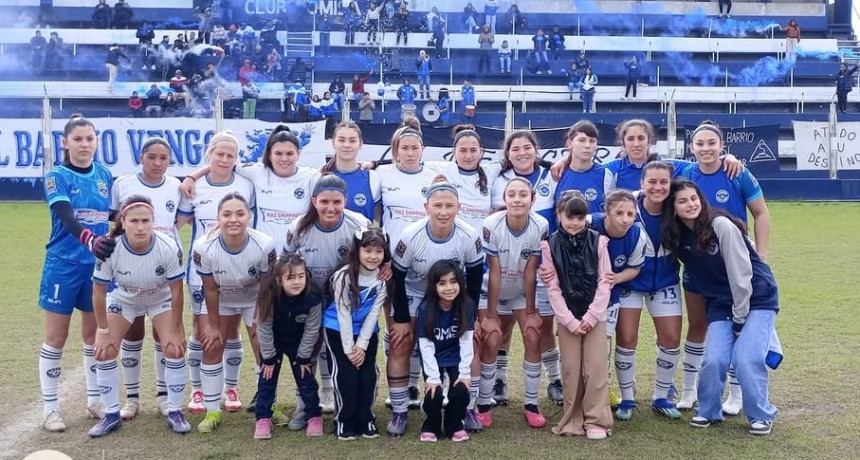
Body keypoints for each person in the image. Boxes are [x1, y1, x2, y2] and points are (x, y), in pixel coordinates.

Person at [661, 179, 780, 436]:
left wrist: (740, 319)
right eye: (682, 201)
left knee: (745, 358)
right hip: (720, 301)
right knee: (714, 359)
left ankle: (761, 414)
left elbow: (741, 276)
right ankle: (708, 410)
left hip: (755, 296)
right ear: (674, 208)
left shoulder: (720, 225)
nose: (690, 204)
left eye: (694, 198)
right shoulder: (678, 234)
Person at [677, 121, 771, 413]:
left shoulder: (737, 172)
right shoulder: (684, 172)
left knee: (736, 325)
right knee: (697, 325)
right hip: (697, 263)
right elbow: (641, 165)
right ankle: (689, 390)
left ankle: (736, 394)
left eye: (711, 143)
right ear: (691, 148)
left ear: (722, 146)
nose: (706, 148)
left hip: (733, 265)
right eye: (700, 144)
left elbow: (761, 213)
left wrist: (762, 255)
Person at [389, 175, 485, 436]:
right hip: (414, 291)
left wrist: (472, 316)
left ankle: (467, 407)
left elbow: (475, 278)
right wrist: (400, 318)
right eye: (437, 205)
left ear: (458, 207)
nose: (443, 211)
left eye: (449, 206)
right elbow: (396, 277)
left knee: (470, 343)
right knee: (400, 345)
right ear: (426, 207)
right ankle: (399, 412)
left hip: (452, 294)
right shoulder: (410, 236)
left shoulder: (468, 234)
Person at [38, 115, 116, 433]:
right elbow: (68, 217)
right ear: (65, 142)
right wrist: (91, 240)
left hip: (96, 268)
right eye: (78, 139)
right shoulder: (56, 176)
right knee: (56, 338)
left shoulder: (104, 174)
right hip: (63, 265)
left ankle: (95, 400)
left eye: (90, 138)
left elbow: (103, 213)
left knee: (92, 335)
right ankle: (50, 408)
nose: (85, 144)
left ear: (97, 141)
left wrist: (127, 215)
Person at [89, 195, 190, 437]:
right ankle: (111, 414)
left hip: (160, 298)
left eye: (146, 220)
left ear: (153, 221)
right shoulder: (109, 248)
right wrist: (102, 331)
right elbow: (99, 292)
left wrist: (177, 328)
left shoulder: (167, 246)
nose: (141, 226)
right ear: (122, 221)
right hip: (125, 298)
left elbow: (177, 292)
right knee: (104, 350)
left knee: (174, 348)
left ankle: (175, 410)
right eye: (134, 220)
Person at [176, 131, 255, 418]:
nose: (224, 159)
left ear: (237, 159)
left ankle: (230, 388)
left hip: (237, 271)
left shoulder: (246, 185)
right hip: (200, 273)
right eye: (219, 154)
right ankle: (197, 388)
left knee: (231, 330)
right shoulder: (194, 188)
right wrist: (192, 177)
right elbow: (179, 223)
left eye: (230, 155)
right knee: (202, 330)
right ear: (209, 154)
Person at [282, 175, 371, 422]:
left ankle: (330, 396)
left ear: (346, 200)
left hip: (341, 297)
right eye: (324, 202)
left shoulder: (358, 224)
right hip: (307, 296)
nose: (330, 208)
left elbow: (375, 253)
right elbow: (285, 262)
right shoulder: (299, 227)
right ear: (313, 201)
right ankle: (304, 405)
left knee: (333, 347)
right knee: (307, 347)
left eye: (336, 201)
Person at [109, 138, 183, 420]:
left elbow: (181, 219)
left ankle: (164, 396)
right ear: (141, 157)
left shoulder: (176, 186)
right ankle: (132, 398)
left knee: (163, 335)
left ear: (169, 160)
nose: (157, 162)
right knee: (133, 330)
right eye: (151, 157)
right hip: (129, 267)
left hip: (163, 266)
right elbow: (115, 223)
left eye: (163, 157)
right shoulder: (123, 184)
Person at [193, 193, 275, 433]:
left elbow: (266, 285)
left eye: (240, 213)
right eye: (227, 214)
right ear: (217, 217)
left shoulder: (264, 244)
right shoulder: (203, 247)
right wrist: (212, 325)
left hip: (254, 297)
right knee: (212, 344)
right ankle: (212, 410)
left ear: (249, 216)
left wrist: (261, 318)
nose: (234, 219)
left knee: (264, 345)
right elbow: (209, 288)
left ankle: (269, 404)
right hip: (221, 298)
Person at [490, 131, 560, 408]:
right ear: (507, 154)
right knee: (503, 325)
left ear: (536, 150)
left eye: (526, 147)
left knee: (544, 326)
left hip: (542, 265)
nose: (521, 152)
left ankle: (555, 380)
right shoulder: (499, 181)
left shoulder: (552, 176)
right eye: (515, 148)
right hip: (507, 264)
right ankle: (499, 379)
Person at [539, 190, 613, 440]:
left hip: (595, 316)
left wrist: (592, 316)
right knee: (570, 369)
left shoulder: (599, 241)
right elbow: (553, 287)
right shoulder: (549, 245)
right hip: (567, 317)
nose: (574, 223)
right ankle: (571, 420)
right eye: (569, 217)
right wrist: (569, 320)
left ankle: (597, 421)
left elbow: (605, 281)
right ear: (559, 215)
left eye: (580, 218)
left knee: (596, 368)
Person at [477, 178, 549, 430]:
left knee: (532, 335)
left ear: (532, 199)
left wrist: (530, 311)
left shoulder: (541, 224)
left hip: (520, 289)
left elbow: (531, 271)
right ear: (504, 199)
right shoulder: (491, 224)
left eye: (523, 194)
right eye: (511, 195)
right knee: (493, 338)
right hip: (491, 289)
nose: (517, 199)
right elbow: (494, 271)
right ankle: (483, 405)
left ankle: (531, 405)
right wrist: (490, 314)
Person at [324, 227, 392, 440]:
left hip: (366, 332)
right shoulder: (342, 276)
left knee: (368, 375)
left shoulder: (383, 278)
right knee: (346, 376)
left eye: (379, 251)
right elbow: (343, 313)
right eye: (368, 250)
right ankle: (343, 421)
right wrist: (349, 349)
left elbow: (374, 313)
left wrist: (361, 345)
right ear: (357, 250)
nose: (373, 256)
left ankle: (366, 419)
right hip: (338, 330)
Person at [586, 190, 647, 413]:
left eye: (630, 213)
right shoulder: (589, 224)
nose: (625, 219)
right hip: (579, 295)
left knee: (604, 345)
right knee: (576, 345)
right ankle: (574, 390)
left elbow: (635, 268)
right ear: (607, 212)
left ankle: (603, 391)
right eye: (619, 213)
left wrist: (618, 277)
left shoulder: (637, 236)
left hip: (609, 297)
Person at [254, 253, 324, 439]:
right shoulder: (268, 294)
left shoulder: (313, 296)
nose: (296, 282)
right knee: (267, 379)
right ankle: (263, 418)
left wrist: (303, 356)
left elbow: (312, 329)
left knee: (305, 378)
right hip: (274, 341)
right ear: (279, 280)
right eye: (290, 277)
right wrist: (268, 357)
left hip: (299, 341)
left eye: (301, 276)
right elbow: (264, 327)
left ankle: (314, 416)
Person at [416, 260, 476, 442]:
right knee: (434, 390)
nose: (449, 287)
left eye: (453, 281)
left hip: (456, 356)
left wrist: (465, 372)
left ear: (460, 282)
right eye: (442, 283)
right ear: (434, 286)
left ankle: (455, 425)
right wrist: (433, 376)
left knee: (461, 389)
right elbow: (425, 345)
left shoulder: (467, 305)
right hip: (434, 357)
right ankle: (431, 426)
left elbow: (466, 340)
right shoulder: (426, 308)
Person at [321, 122, 382, 221]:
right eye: (341, 140)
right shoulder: (319, 176)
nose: (347, 145)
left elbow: (381, 219)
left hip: (361, 236)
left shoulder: (372, 178)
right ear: (333, 143)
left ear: (360, 144)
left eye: (352, 141)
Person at [555, 120, 614, 213]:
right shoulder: (557, 173)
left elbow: (611, 212)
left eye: (592, 141)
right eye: (582, 140)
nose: (587, 145)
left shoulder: (605, 174)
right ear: (569, 143)